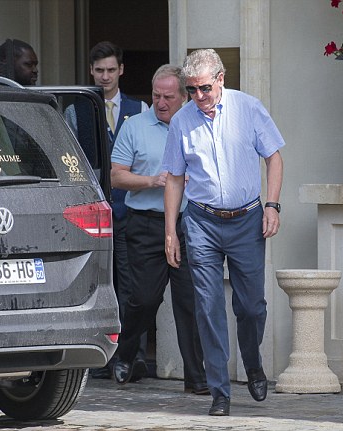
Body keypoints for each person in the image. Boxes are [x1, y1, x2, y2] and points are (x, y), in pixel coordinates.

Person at [162, 49, 285, 416]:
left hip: (247, 218)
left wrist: (272, 205)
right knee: (209, 307)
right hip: (201, 221)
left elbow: (274, 157)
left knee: (251, 306)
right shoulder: (182, 121)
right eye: (191, 90)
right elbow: (174, 178)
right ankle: (219, 390)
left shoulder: (248, 108)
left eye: (204, 88)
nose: (198, 96)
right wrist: (171, 231)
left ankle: (252, 362)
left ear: (221, 79)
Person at [111, 65, 208, 395]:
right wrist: (152, 180)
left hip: (187, 224)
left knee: (189, 301)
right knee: (144, 298)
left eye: (168, 96)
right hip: (145, 224)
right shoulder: (135, 127)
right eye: (155, 95)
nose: (161, 102)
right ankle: (124, 353)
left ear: (184, 97)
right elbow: (116, 176)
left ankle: (196, 377)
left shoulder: (197, 126)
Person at [64, 41, 149, 380]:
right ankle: (97, 358)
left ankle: (133, 357)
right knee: (95, 285)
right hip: (92, 213)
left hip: (132, 211)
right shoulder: (76, 109)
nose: (105, 76)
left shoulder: (139, 108)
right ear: (90, 71)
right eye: (99, 70)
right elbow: (73, 163)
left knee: (134, 290)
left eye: (111, 70)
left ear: (121, 70)